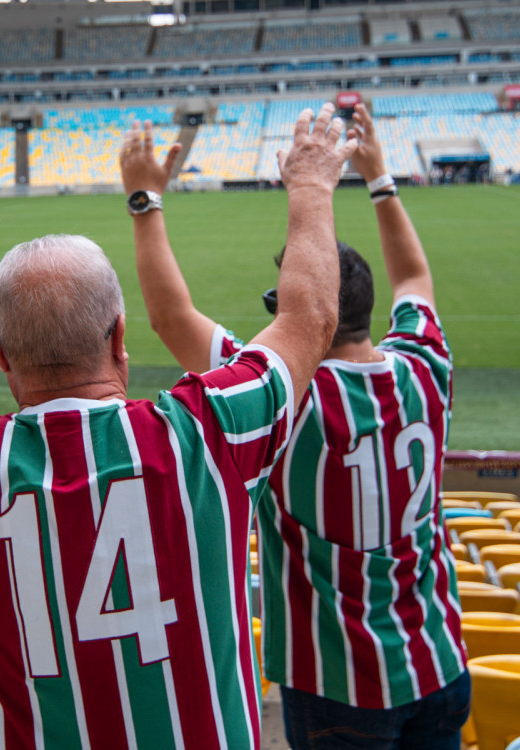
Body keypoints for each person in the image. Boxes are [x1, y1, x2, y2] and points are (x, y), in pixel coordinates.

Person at [0, 102, 356, 750]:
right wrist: (311, 185)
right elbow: (310, 318)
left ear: (0, 354)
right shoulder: (209, 431)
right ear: (119, 337)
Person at [119, 102, 467, 749]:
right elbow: (415, 277)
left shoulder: (286, 395)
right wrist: (379, 178)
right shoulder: (426, 366)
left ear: (293, 304)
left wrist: (145, 201)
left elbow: (170, 316)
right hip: (439, 662)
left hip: (338, 684)